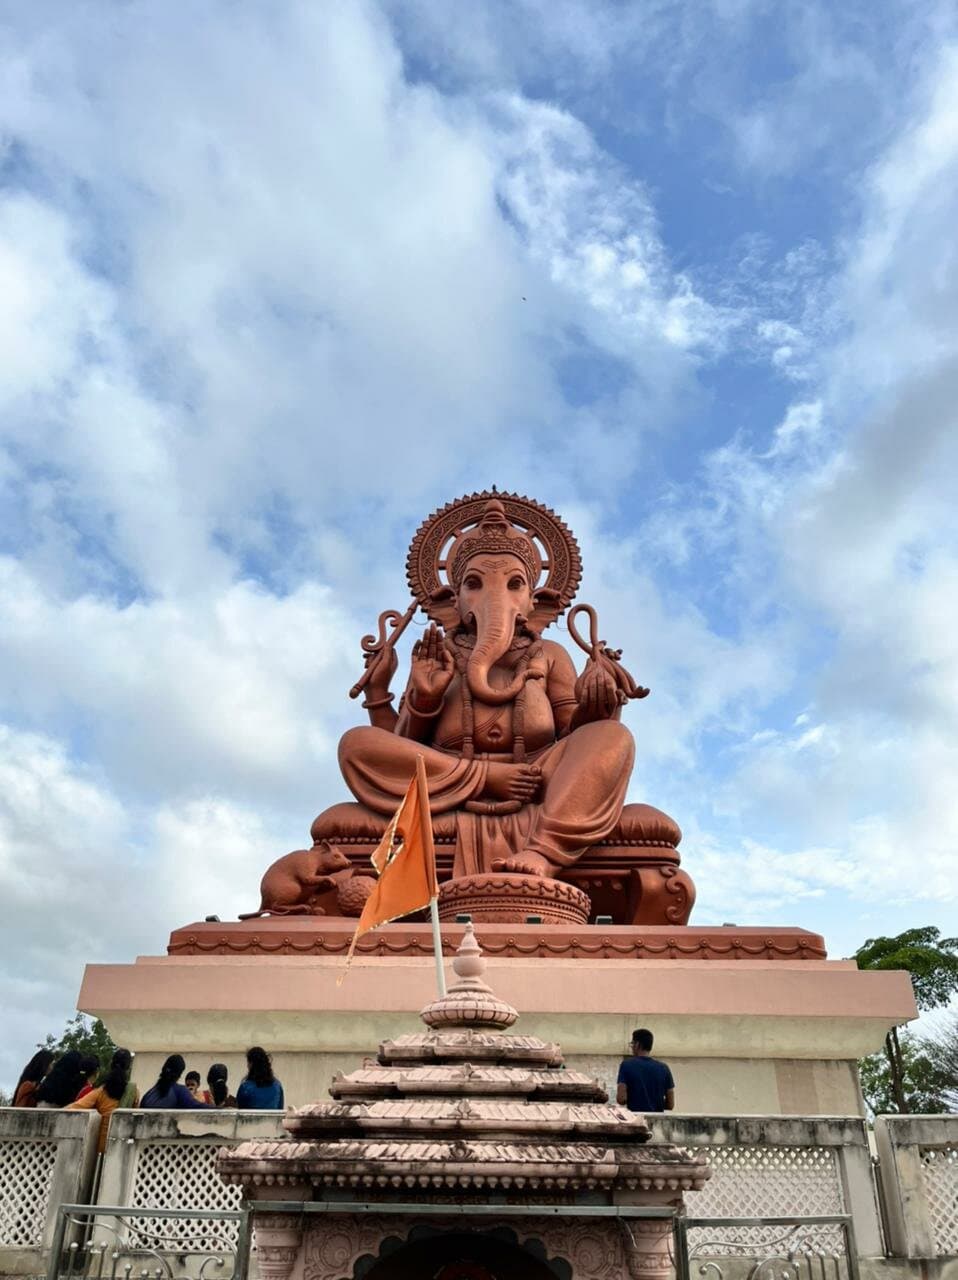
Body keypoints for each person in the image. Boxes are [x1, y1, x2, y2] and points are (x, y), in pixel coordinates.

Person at [66, 1049, 139, 1152]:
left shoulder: (101, 1091)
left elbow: (74, 1107)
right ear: (129, 1067)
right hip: (121, 1147)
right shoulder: (134, 1091)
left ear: (111, 1064)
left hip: (100, 1146)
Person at [616, 1028, 675, 1114]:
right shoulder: (664, 1068)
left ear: (637, 1044)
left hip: (636, 1119)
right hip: (657, 1121)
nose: (632, 1047)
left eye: (632, 1044)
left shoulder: (626, 1065)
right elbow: (671, 1104)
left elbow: (621, 1099)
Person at [140, 1055, 212, 1109]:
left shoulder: (148, 1095)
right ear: (179, 1075)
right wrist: (218, 1108)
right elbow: (196, 1107)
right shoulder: (179, 1091)